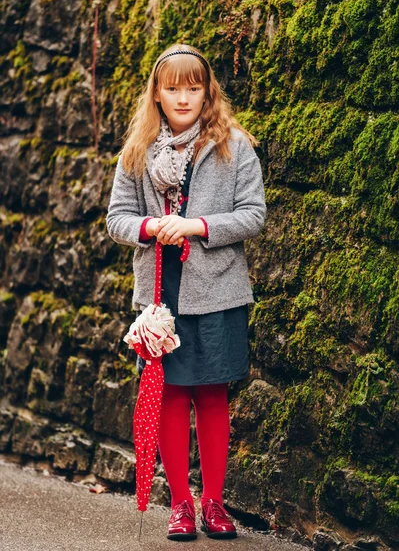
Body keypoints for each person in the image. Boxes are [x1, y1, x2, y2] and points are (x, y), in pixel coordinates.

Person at [106, 43, 266, 541]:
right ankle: (180, 505)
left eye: (193, 87)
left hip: (217, 292)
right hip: (159, 299)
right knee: (171, 397)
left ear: (207, 91)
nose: (183, 97)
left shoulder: (234, 145)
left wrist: (195, 225)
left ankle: (214, 503)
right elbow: (117, 220)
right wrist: (154, 226)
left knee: (212, 395)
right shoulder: (135, 152)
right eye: (173, 87)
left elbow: (253, 215)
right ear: (157, 92)